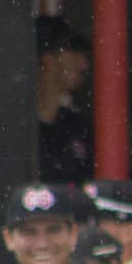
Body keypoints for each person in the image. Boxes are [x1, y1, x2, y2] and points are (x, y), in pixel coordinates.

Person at [36, 14, 92, 184]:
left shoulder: (79, 128)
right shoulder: (14, 128)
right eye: (72, 50)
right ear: (47, 59)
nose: (84, 64)